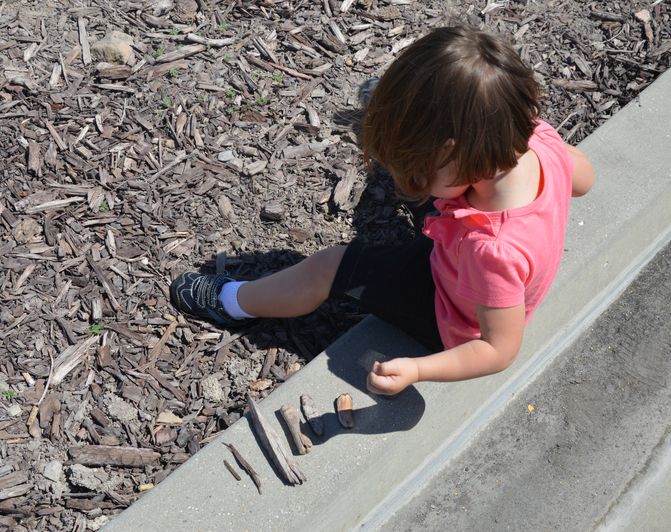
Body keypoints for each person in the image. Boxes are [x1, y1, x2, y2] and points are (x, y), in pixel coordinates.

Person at [171, 26, 594, 396]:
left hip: (448, 308)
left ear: (452, 149)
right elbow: (584, 180)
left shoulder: (491, 252)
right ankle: (407, 121)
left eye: (421, 165)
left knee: (328, 267)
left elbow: (498, 349)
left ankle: (232, 302)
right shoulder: (538, 140)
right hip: (463, 226)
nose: (413, 177)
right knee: (424, 192)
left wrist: (418, 369)